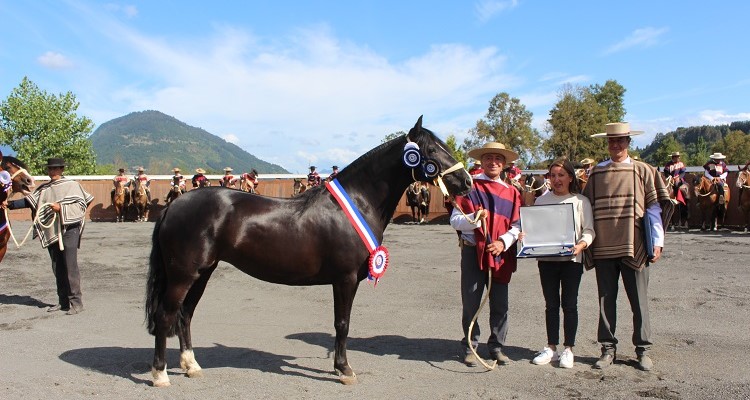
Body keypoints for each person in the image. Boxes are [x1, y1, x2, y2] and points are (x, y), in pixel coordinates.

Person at [583, 122, 673, 371]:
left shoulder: (643, 170)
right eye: (612, 141)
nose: (616, 145)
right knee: (605, 301)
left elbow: (654, 209)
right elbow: (585, 209)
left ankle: (643, 350)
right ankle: (607, 349)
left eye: (620, 140)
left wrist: (657, 242)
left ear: (628, 143)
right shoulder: (596, 173)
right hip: (603, 247)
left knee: (639, 301)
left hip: (636, 246)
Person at [449, 142, 522, 367]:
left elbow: (518, 225)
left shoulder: (512, 192)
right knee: (471, 301)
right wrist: (474, 219)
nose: (493, 162)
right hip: (473, 252)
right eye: (489, 158)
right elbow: (455, 221)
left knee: (500, 304)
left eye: (498, 159)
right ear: (482, 161)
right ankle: (470, 346)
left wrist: (502, 242)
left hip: (501, 253)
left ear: (504, 164)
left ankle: (497, 347)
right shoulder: (469, 187)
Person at [527, 158, 595, 369]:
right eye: (553, 175)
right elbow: (535, 230)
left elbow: (589, 230)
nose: (556, 179)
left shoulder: (580, 201)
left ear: (570, 177)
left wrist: (582, 244)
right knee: (551, 305)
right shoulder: (540, 202)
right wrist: (525, 236)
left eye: (561, 175)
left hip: (571, 260)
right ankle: (551, 348)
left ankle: (568, 349)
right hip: (546, 260)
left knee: (570, 304)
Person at [2, 158, 93, 315]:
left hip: (69, 229)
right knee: (57, 266)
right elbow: (29, 201)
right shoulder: (45, 188)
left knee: (70, 266)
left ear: (62, 170)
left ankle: (76, 302)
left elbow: (81, 204)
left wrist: (61, 208)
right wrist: (9, 204)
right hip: (51, 230)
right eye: (50, 169)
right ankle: (63, 301)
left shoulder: (72, 186)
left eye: (56, 169)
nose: (53, 172)